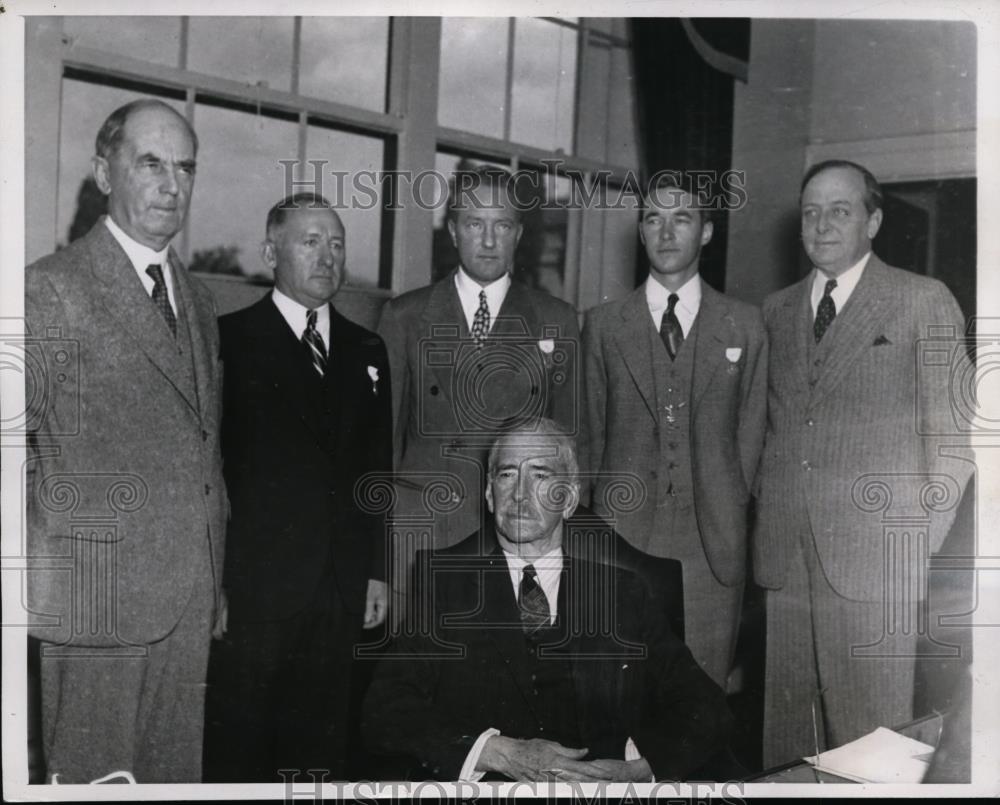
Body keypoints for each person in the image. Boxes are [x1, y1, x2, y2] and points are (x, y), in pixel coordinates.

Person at [24, 98, 226, 782]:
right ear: (104, 173)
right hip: (97, 611)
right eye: (151, 163)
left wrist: (214, 573)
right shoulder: (49, 290)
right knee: (95, 785)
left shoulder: (197, 301)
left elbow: (205, 449)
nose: (174, 184)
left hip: (190, 603)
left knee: (173, 783)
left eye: (186, 166)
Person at [361, 420, 732, 782]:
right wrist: (500, 754)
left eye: (539, 475)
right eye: (506, 475)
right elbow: (384, 710)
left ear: (569, 500)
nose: (519, 493)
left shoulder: (622, 593)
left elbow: (706, 706)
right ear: (489, 495)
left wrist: (637, 767)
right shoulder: (445, 586)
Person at [753, 159, 974, 765]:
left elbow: (955, 440)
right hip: (787, 560)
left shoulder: (920, 300)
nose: (822, 225)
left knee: (873, 746)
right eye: (811, 212)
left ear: (873, 220)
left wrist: (913, 544)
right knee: (789, 746)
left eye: (840, 210)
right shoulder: (775, 310)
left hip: (876, 564)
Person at [202, 193, 392, 781]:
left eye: (337, 244)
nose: (327, 256)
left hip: (340, 591)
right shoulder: (226, 342)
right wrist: (217, 584)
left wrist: (377, 571)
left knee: (323, 759)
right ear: (269, 252)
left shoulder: (368, 349)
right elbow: (210, 471)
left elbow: (375, 473)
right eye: (310, 241)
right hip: (255, 594)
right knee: (242, 754)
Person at [581, 175, 767, 687]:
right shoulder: (601, 325)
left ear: (706, 232)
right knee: (621, 696)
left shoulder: (746, 325)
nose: (666, 233)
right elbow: (590, 436)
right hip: (622, 539)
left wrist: (730, 497)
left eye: (682, 218)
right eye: (653, 219)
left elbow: (752, 429)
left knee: (702, 701)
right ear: (640, 232)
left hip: (712, 546)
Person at [376, 166, 580, 593]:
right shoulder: (405, 316)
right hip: (421, 538)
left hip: (515, 540)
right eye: (474, 224)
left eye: (501, 225)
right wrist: (377, 562)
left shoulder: (555, 320)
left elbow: (572, 447)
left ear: (519, 234)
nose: (488, 241)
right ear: (452, 231)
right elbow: (380, 450)